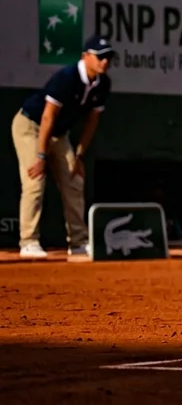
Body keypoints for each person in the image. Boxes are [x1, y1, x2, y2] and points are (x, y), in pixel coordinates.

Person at [11, 35, 113, 259]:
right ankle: (28, 242)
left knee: (74, 180)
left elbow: (91, 122)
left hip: (58, 133)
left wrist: (79, 154)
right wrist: (41, 155)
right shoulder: (66, 77)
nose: (105, 62)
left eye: (108, 58)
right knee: (35, 180)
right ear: (85, 57)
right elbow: (48, 116)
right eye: (100, 57)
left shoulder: (103, 84)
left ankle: (78, 242)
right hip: (32, 126)